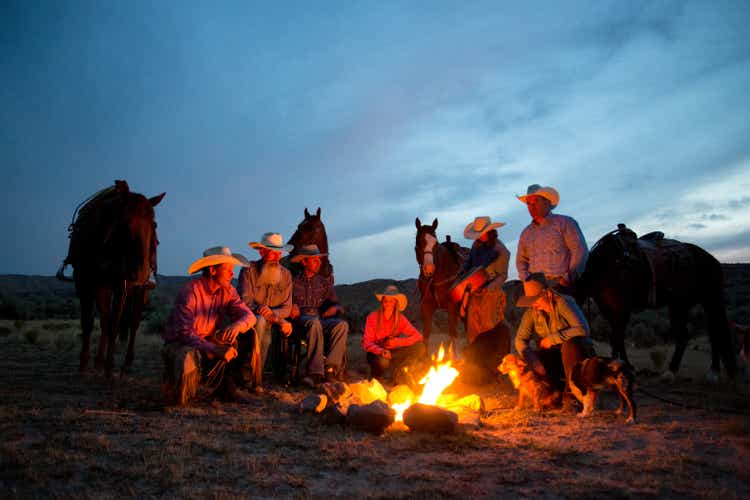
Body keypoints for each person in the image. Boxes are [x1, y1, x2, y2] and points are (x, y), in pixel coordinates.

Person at [161, 246, 257, 405]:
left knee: (247, 333)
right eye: (228, 270)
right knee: (187, 354)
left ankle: (228, 387)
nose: (232, 274)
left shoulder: (228, 291)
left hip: (206, 339)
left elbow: (249, 316)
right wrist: (214, 349)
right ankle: (184, 392)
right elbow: (185, 333)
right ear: (213, 270)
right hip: (182, 342)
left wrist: (237, 326)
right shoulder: (191, 292)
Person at [514, 273, 595, 404]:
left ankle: (573, 395)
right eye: (531, 300)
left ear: (547, 294)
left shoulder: (564, 302)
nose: (534, 304)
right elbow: (519, 339)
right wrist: (533, 360)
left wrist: (552, 339)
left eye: (537, 299)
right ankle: (550, 393)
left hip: (577, 356)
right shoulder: (532, 312)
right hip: (555, 358)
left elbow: (583, 329)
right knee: (532, 357)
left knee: (570, 344)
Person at [458, 216, 512, 385]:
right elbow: (469, 264)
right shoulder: (476, 246)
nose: (479, 237)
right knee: (473, 328)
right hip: (474, 289)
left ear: (489, 232)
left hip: (491, 291)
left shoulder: (501, 250)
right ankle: (477, 367)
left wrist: (490, 288)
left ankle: (494, 368)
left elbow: (503, 275)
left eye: (481, 233)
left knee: (489, 327)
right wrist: (463, 276)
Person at [237, 232, 294, 390]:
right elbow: (245, 301)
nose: (276, 256)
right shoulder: (248, 270)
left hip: (271, 320)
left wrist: (272, 315)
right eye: (271, 252)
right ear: (262, 252)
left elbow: (287, 308)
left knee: (264, 323)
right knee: (261, 322)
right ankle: (253, 376)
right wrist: (270, 315)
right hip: (250, 318)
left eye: (278, 252)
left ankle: (252, 376)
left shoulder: (286, 275)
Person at [289, 244, 349, 387]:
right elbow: (283, 301)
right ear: (304, 262)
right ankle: (315, 373)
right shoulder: (292, 281)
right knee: (314, 322)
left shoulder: (324, 283)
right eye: (314, 260)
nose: (319, 263)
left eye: (319, 260)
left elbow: (337, 305)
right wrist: (291, 305)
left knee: (342, 325)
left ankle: (330, 369)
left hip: (320, 319)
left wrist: (334, 309)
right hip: (299, 322)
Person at [516, 184, 588, 294]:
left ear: (547, 202)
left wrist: (568, 277)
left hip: (561, 284)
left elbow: (579, 250)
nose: (532, 206)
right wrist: (526, 279)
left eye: (536, 201)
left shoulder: (565, 223)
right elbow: (521, 261)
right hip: (536, 289)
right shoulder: (526, 234)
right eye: (529, 204)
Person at [362, 285, 426, 387]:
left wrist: (397, 342)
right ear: (382, 302)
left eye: (391, 301)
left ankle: (401, 372)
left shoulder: (400, 319)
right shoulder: (372, 317)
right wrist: (381, 351)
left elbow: (418, 336)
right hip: (376, 353)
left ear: (396, 303)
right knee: (383, 361)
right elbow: (366, 343)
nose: (387, 303)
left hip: (393, 352)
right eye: (385, 300)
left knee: (420, 347)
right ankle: (377, 376)